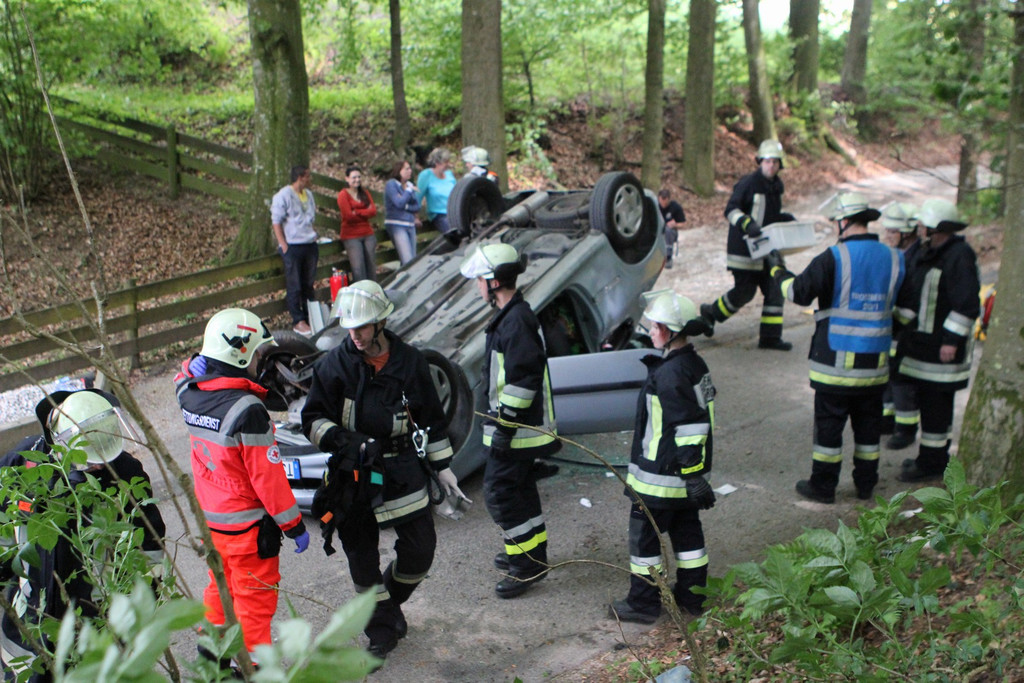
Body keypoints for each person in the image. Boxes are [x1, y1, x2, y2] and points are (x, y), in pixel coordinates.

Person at [301, 281, 466, 662]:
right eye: (349, 327)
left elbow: (430, 417)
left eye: (362, 326)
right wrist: (347, 442)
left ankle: (388, 604)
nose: (355, 335)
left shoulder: (411, 362)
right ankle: (380, 631)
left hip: (402, 468)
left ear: (381, 322)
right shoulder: (334, 365)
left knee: (420, 550)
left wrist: (443, 467)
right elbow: (312, 419)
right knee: (361, 559)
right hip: (353, 474)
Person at [175, 308, 310, 662]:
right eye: (256, 354)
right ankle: (252, 667)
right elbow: (268, 478)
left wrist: (190, 366)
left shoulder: (188, 393)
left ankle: (211, 654)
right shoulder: (248, 410)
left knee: (221, 588)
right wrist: (293, 525)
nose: (259, 361)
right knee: (254, 599)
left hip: (211, 523)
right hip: (248, 530)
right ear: (239, 355)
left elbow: (181, 378)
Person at [1, 389, 166, 678]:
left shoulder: (125, 473)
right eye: (90, 459)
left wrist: (140, 607)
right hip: (30, 621)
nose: (99, 465)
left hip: (96, 619)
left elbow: (148, 547)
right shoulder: (24, 465)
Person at [767, 193, 905, 504]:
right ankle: (866, 485)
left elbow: (799, 292)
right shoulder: (895, 258)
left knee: (829, 432)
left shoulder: (834, 257)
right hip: (875, 366)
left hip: (836, 366)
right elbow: (905, 311)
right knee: (868, 431)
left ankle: (823, 486)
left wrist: (778, 272)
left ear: (844, 221)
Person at [609, 290, 717, 624]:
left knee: (644, 540)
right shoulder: (694, 364)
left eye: (656, 326)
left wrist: (691, 473)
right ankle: (692, 597)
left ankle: (643, 605)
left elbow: (689, 427)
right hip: (683, 477)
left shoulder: (671, 373)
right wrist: (695, 475)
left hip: (661, 479)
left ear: (670, 332)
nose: (651, 331)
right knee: (688, 536)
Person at [460, 243, 560, 599]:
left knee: (501, 494)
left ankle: (526, 567)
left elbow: (522, 381)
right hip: (517, 430)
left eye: (480, 280)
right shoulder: (512, 316)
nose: (477, 286)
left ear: (494, 281)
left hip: (517, 432)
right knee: (519, 491)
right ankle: (530, 553)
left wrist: (505, 426)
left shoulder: (516, 321)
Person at [893, 199, 980, 483]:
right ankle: (929, 457)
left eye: (923, 225)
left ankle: (932, 463)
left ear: (937, 227)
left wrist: (951, 341)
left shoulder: (959, 255)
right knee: (925, 403)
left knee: (936, 410)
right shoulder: (925, 251)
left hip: (942, 351)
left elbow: (966, 304)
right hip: (921, 346)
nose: (919, 229)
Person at [700, 140, 797, 351]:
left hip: (766, 249)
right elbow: (731, 209)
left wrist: (783, 218)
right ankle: (711, 313)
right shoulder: (748, 183)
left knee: (775, 288)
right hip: (743, 248)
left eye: (775, 162)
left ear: (780, 165)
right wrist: (747, 223)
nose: (771, 165)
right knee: (745, 291)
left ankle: (770, 338)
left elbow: (768, 216)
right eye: (767, 161)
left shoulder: (776, 187)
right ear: (760, 162)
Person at [879, 202, 922, 450]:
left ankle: (906, 429)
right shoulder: (898, 254)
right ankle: (887, 419)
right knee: (888, 372)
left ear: (907, 232)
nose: (888, 235)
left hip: (908, 327)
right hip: (894, 325)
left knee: (902, 378)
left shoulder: (917, 258)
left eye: (893, 231)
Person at [272, 165, 319, 336]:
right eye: (308, 176)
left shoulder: (309, 195)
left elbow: (311, 218)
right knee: (295, 284)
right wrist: (283, 244)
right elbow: (276, 221)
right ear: (300, 177)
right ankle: (298, 320)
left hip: (309, 244)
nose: (310, 179)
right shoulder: (284, 195)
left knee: (308, 284)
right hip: (293, 246)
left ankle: (310, 316)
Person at [337, 164, 379, 283]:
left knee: (371, 266)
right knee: (358, 268)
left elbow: (373, 211)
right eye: (354, 177)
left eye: (359, 177)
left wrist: (357, 212)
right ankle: (361, 291)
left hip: (367, 233)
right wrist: (365, 212)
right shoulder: (343, 195)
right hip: (351, 235)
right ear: (347, 179)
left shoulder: (364, 193)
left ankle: (373, 290)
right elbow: (348, 216)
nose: (357, 180)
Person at [383, 160, 422, 266]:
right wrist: (408, 191)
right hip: (397, 225)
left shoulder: (409, 185)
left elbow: (417, 206)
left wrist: (406, 206)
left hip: (410, 225)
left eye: (410, 168)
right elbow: (399, 203)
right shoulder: (392, 185)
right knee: (407, 260)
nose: (410, 171)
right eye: (406, 169)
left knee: (413, 259)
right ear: (398, 170)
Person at [416, 148, 457, 240]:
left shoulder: (449, 175)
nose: (448, 164)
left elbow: (457, 193)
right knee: (454, 233)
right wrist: (415, 216)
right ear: (438, 163)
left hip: (454, 212)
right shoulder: (426, 175)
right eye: (446, 162)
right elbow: (417, 196)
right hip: (439, 215)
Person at [658, 189, 686, 269]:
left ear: (669, 199)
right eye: (661, 201)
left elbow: (683, 223)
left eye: (665, 202)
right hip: (658, 231)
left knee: (668, 230)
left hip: (670, 232)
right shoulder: (655, 206)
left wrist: (675, 225)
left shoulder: (675, 207)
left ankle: (668, 257)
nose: (663, 204)